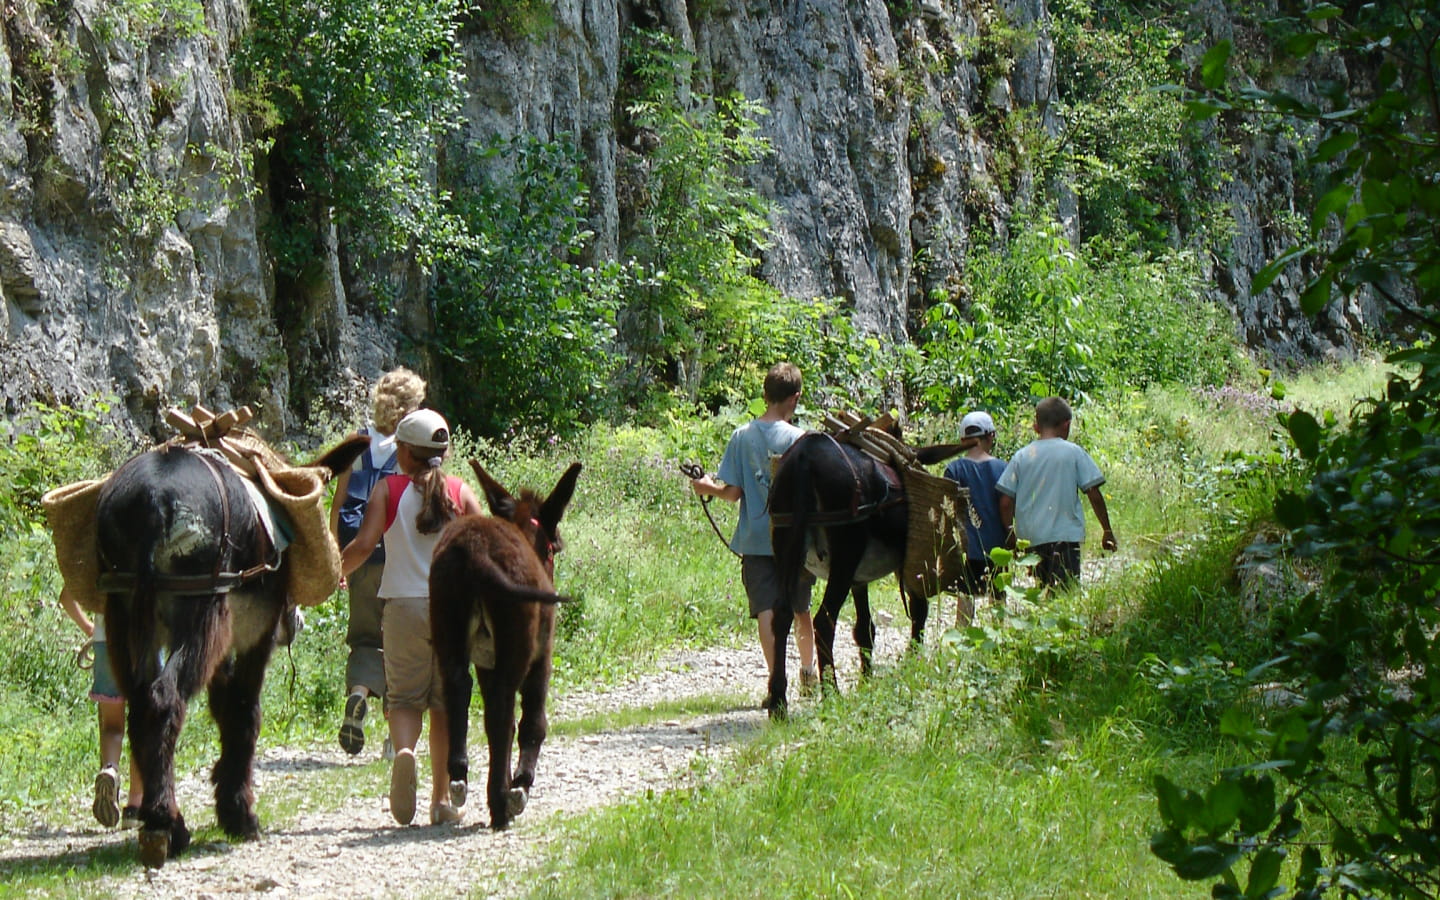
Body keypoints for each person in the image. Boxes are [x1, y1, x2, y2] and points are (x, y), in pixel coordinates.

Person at [340, 408, 483, 826]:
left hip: (401, 606)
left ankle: (403, 753)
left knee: (403, 698)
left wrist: (336, 572)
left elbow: (365, 545)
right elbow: (485, 541)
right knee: (442, 703)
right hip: (450, 609)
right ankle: (441, 800)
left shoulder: (388, 489)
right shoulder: (460, 491)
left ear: (404, 452)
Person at [689, 362, 819, 700]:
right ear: (795, 398)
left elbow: (732, 494)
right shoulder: (802, 440)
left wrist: (707, 488)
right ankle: (808, 673)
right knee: (801, 608)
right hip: (796, 543)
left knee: (766, 610)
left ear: (765, 395)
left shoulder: (741, 437)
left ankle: (777, 680)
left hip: (756, 540)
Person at [330, 367, 427, 756]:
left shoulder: (356, 442)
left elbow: (338, 505)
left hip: (357, 552)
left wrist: (338, 560)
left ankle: (357, 693)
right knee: (399, 640)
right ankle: (393, 738)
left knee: (365, 634)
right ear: (409, 407)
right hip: (395, 551)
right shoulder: (410, 447)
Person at [995, 397, 1118, 590]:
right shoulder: (1074, 453)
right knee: (1064, 591)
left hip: (1031, 538)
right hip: (1065, 537)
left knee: (1041, 588)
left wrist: (1011, 533)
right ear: (1066, 425)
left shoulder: (1022, 456)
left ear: (1036, 427)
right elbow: (1093, 493)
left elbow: (1005, 501)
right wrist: (1107, 530)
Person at [59, 590, 144, 830]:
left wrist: (89, 628)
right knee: (143, 725)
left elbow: (67, 597)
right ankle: (135, 807)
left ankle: (110, 768)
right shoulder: (145, 552)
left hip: (105, 642)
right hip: (145, 638)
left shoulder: (98, 555)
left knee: (112, 727)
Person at [942, 410, 1007, 623]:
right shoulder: (1002, 468)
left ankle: (963, 638)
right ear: (990, 437)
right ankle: (998, 633)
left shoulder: (953, 469)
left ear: (962, 440)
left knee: (966, 595)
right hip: (998, 546)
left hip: (967, 549)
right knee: (998, 596)